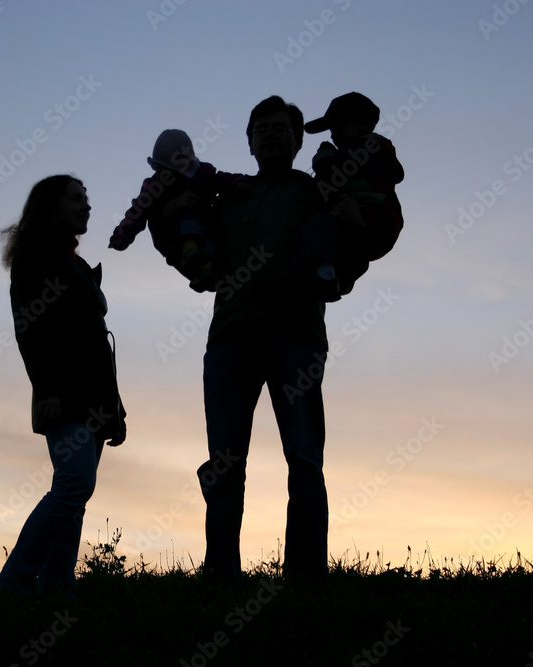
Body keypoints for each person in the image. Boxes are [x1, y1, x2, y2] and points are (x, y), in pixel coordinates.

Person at [194, 96, 330, 585]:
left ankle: (308, 578)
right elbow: (187, 235)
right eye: (261, 128)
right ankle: (220, 574)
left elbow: (356, 240)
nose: (270, 134)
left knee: (304, 458)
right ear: (248, 141)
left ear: (298, 139)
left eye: (281, 128)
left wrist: (337, 279)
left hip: (297, 337)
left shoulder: (317, 192)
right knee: (225, 461)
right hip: (231, 339)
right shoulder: (228, 195)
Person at [0, 174, 126, 598]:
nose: (86, 206)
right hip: (64, 392)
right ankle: (13, 582)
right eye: (76, 199)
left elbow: (96, 341)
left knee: (76, 494)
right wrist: (46, 388)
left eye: (87, 199)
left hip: (93, 394)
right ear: (51, 207)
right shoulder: (37, 256)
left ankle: (56, 583)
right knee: (73, 486)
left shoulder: (73, 262)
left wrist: (115, 408)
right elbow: (29, 327)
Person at [294, 92, 405, 301]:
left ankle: (327, 277)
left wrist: (324, 160)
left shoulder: (370, 147)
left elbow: (334, 177)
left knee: (321, 224)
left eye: (337, 126)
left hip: (376, 217)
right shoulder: (367, 153)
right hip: (371, 228)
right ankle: (337, 277)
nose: (332, 134)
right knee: (345, 246)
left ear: (362, 124)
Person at [109, 129, 248, 292]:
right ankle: (191, 254)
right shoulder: (155, 187)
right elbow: (138, 211)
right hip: (174, 237)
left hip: (208, 230)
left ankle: (205, 272)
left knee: (211, 240)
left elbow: (222, 179)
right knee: (186, 213)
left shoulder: (203, 174)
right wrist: (123, 234)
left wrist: (237, 182)